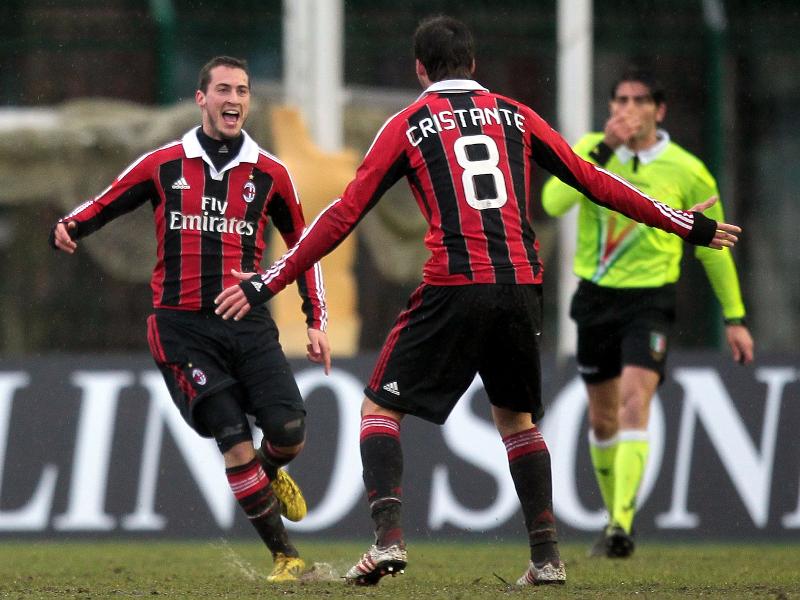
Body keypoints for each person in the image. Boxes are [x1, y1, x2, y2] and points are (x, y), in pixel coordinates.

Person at [215, 18, 740, 586]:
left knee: (379, 411)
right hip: (521, 285)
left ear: (420, 69)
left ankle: (387, 542)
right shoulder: (515, 114)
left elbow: (345, 213)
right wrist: (684, 224)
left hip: (456, 283)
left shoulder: (409, 124)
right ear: (474, 64)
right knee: (516, 420)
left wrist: (268, 281)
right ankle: (546, 558)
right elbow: (593, 180)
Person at [49, 56, 331, 582]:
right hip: (182, 330)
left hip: (247, 323)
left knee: (289, 431)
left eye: (242, 91)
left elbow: (304, 248)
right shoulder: (164, 163)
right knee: (230, 433)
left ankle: (271, 473)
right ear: (201, 98)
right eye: (223, 89)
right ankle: (286, 558)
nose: (234, 100)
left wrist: (315, 318)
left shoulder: (270, 173)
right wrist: (69, 226)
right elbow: (107, 201)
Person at [541, 67, 754, 558]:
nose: (626, 110)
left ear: (658, 111)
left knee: (636, 400)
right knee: (602, 420)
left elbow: (712, 246)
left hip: (651, 301)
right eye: (619, 100)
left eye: (638, 101)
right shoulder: (592, 148)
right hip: (596, 296)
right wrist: (602, 154)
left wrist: (735, 317)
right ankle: (613, 516)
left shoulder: (687, 169)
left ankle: (620, 523)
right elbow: (553, 203)